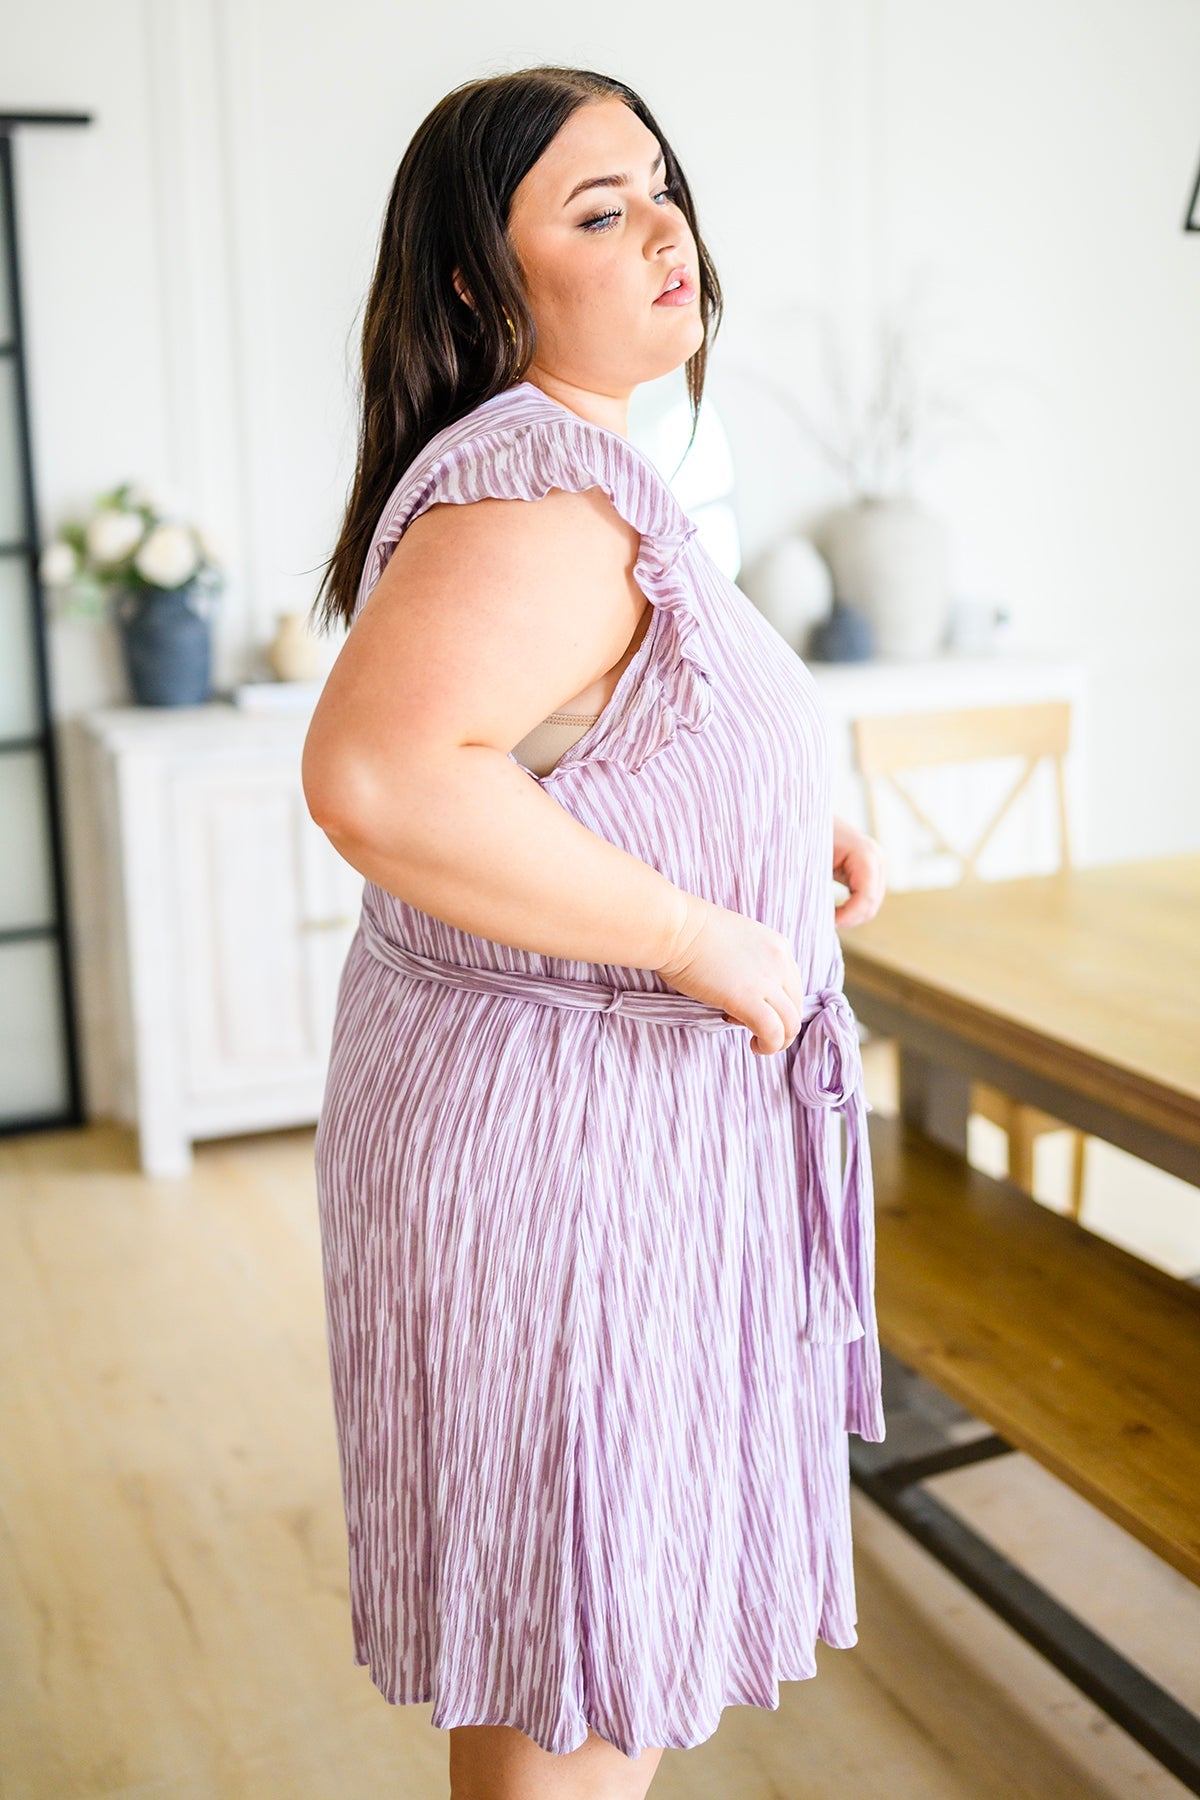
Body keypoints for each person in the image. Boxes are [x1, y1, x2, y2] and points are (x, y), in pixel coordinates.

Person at [302, 64, 888, 1800]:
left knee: (576, 1653)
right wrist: (699, 932)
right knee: (580, 1673)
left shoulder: (575, 464)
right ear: (482, 281)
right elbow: (379, 778)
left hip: (583, 1133)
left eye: (662, 189)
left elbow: (576, 734)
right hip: (571, 1154)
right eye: (598, 210)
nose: (665, 233)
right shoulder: (545, 494)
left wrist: (771, 823)